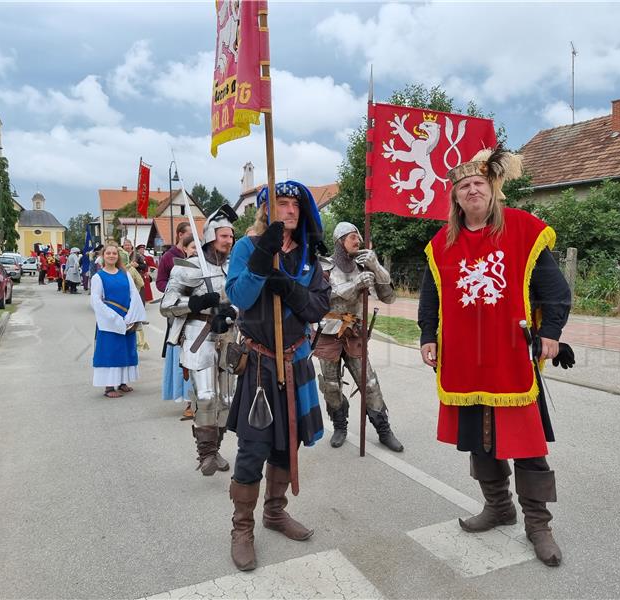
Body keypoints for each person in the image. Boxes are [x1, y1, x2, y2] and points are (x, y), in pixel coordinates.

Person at [417, 148, 573, 567]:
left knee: (526, 445)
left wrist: (552, 334)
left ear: (492, 190)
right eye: (463, 186)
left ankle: (538, 525)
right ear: (455, 196)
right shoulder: (441, 244)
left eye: (478, 184)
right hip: (464, 361)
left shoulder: (522, 229)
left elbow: (556, 291)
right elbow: (432, 296)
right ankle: (498, 507)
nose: (471, 190)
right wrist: (427, 335)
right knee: (480, 442)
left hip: (512, 359)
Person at [224, 181, 330, 571]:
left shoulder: (307, 257)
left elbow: (318, 306)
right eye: (280, 203)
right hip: (259, 363)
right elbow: (239, 296)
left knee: (288, 443)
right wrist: (264, 253)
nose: (288, 210)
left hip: (295, 361)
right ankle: (242, 528)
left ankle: (274, 511)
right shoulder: (246, 247)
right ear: (266, 209)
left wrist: (290, 289)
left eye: (294, 205)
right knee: (253, 449)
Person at [160, 206, 239, 475]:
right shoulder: (188, 267)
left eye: (231, 236)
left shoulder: (234, 267)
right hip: (198, 334)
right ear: (209, 237)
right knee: (206, 397)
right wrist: (195, 302)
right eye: (224, 236)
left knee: (227, 399)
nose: (229, 240)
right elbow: (167, 305)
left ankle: (215, 449)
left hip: (228, 335)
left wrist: (233, 312)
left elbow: (245, 301)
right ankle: (206, 455)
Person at [314, 222, 403, 452]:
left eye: (358, 237)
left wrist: (376, 266)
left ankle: (384, 430)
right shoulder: (324, 266)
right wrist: (354, 285)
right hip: (329, 332)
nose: (358, 241)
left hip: (354, 332)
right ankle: (340, 426)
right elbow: (320, 298)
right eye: (353, 237)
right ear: (340, 241)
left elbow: (389, 297)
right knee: (331, 386)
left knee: (369, 382)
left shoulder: (364, 266)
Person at [90, 243, 147, 398]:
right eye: (108, 253)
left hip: (126, 316)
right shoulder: (98, 277)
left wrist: (131, 316)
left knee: (126, 350)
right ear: (103, 256)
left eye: (114, 253)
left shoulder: (125, 274)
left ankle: (122, 382)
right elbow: (96, 300)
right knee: (111, 350)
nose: (111, 256)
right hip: (109, 319)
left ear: (118, 256)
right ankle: (109, 387)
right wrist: (113, 318)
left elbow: (134, 294)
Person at [156, 222, 194, 420]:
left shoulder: (206, 264)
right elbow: (162, 285)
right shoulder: (171, 262)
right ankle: (189, 400)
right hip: (181, 317)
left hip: (204, 320)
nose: (196, 249)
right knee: (185, 360)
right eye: (192, 245)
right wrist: (181, 297)